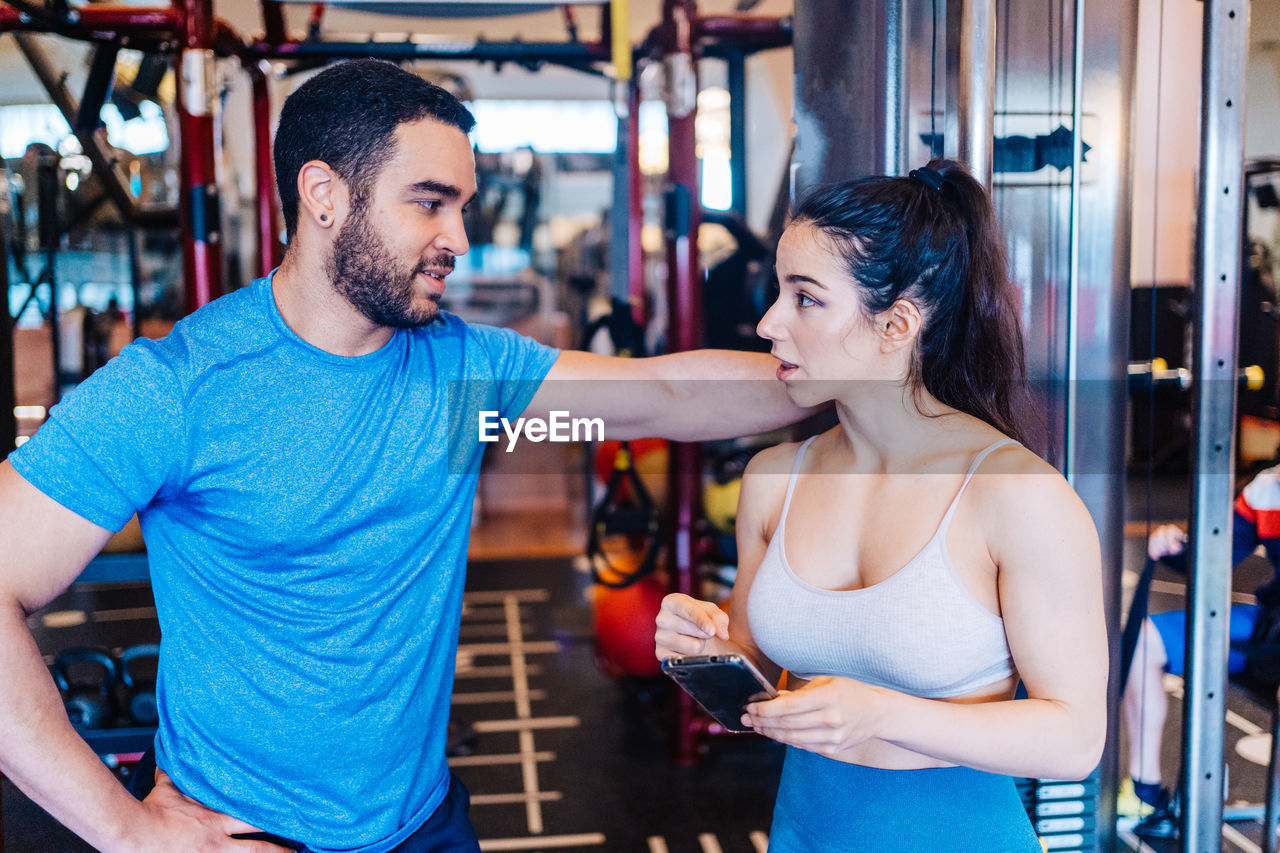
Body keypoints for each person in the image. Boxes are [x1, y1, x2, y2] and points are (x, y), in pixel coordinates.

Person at [0, 60, 816, 853]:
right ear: (323, 196)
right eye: (429, 203)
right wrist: (129, 831)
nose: (457, 237)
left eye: (463, 205)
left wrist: (865, 374)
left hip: (424, 821)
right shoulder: (177, 388)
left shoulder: (456, 369)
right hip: (241, 833)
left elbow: (669, 394)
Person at [655, 160, 1107, 851]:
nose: (770, 321)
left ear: (896, 324)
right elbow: (755, 684)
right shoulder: (773, 477)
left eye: (805, 298)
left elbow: (1075, 738)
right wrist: (698, 648)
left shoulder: (1019, 495)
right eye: (779, 291)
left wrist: (884, 715)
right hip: (802, 832)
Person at [1122, 464, 1280, 836]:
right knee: (1145, 643)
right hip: (1270, 624)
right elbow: (1217, 556)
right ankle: (1148, 795)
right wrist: (1176, 545)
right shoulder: (1267, 487)